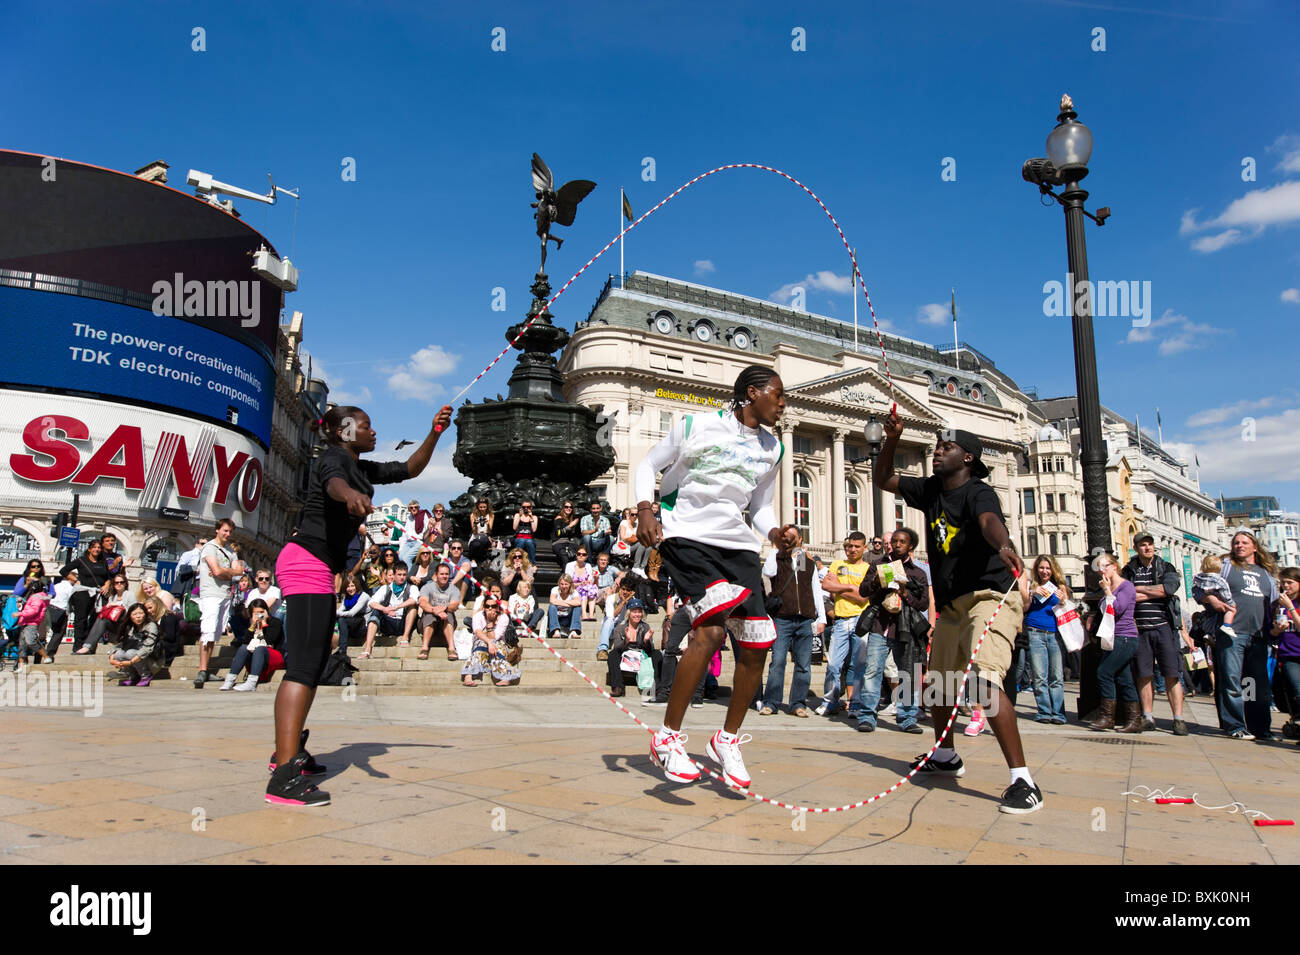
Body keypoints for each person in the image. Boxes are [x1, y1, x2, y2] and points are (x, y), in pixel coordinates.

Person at [266, 402, 451, 807]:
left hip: (316, 566)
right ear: (344, 431)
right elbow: (334, 484)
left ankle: (289, 751)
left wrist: (435, 433)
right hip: (306, 562)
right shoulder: (335, 459)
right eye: (365, 426)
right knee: (302, 667)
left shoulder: (360, 467)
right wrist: (350, 497)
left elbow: (409, 469)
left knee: (312, 665)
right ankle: (282, 776)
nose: (373, 431)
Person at [635, 364, 792, 788]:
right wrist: (645, 509)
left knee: (758, 642)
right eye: (777, 395)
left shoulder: (772, 448)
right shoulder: (695, 425)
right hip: (686, 534)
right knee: (710, 631)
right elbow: (646, 467)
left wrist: (775, 532)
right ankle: (667, 738)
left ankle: (727, 739)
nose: (783, 403)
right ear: (752, 393)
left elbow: (759, 506)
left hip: (739, 545)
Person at [876, 419, 1041, 815]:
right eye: (935, 447)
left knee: (983, 682)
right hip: (951, 605)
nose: (936, 451)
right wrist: (893, 438)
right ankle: (946, 755)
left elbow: (989, 521)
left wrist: (1004, 545)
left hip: (990, 596)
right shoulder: (931, 489)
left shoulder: (978, 492)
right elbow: (883, 478)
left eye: (945, 448)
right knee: (938, 684)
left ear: (967, 457)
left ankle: (1024, 780)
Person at [1203, 532, 1278, 741]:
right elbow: (1200, 589)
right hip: (1231, 633)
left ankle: (1259, 727)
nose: (1239, 545)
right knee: (1231, 680)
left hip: (1258, 635)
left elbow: (1273, 604)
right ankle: (1234, 725)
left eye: (1245, 542)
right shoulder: (1226, 566)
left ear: (1255, 547)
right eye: (1236, 542)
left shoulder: (1266, 574)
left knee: (1254, 683)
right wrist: (1212, 599)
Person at [855, 528, 930, 733]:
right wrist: (877, 582)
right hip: (881, 625)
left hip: (906, 629)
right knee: (873, 670)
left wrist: (905, 593)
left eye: (902, 542)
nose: (896, 544)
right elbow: (863, 591)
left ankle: (907, 717)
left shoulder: (918, 572)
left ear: (910, 546)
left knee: (907, 672)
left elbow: (923, 604)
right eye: (894, 541)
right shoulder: (879, 565)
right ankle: (867, 716)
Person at [1123, 531, 1188, 735]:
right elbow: (1126, 594)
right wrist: (1152, 590)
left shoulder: (1165, 566)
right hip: (1140, 629)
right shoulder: (1129, 569)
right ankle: (1148, 716)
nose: (1148, 548)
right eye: (1143, 545)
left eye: (1150, 544)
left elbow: (1168, 589)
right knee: (1144, 674)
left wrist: (1140, 589)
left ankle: (1178, 719)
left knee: (1172, 673)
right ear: (1136, 548)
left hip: (1164, 626)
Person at [759, 527, 825, 717]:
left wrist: (821, 617)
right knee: (777, 661)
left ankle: (798, 703)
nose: (788, 541)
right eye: (784, 538)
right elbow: (768, 571)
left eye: (791, 538)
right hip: (783, 617)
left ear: (799, 540)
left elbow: (813, 588)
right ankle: (771, 702)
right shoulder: (778, 558)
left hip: (804, 618)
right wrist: (774, 547)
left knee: (803, 664)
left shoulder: (805, 560)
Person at [814, 533, 872, 718]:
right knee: (833, 664)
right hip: (840, 619)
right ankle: (830, 701)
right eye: (849, 546)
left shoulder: (868, 569)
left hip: (860, 619)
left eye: (857, 546)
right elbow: (827, 586)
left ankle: (855, 702)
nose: (852, 550)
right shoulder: (838, 564)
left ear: (864, 548)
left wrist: (841, 587)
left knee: (858, 665)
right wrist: (851, 588)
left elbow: (864, 597)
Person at [1088, 552, 1142, 732]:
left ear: (1114, 567)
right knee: (1124, 678)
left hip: (1125, 637)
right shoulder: (1111, 588)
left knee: (1104, 672)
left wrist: (1107, 590)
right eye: (1099, 567)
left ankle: (1107, 717)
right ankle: (1134, 720)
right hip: (1114, 636)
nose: (1101, 570)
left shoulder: (1126, 587)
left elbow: (1118, 609)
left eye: (1105, 566)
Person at [190, 519, 244, 685]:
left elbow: (239, 573)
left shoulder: (230, 550)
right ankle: (202, 669)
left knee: (215, 632)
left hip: (225, 594)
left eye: (230, 532)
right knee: (207, 630)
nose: (227, 534)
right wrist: (228, 572)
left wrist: (225, 571)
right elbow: (217, 570)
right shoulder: (209, 548)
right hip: (211, 593)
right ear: (217, 530)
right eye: (225, 531)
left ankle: (206, 669)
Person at [1020, 554, 1072, 725]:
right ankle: (1044, 711)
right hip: (1035, 632)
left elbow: (1066, 608)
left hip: (1054, 633)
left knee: (1056, 675)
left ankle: (1058, 712)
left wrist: (1063, 599)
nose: (1045, 571)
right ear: (1037, 569)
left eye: (1048, 568)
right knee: (1039, 675)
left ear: (1053, 569)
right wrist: (1031, 593)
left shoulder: (1060, 586)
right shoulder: (1032, 585)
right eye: (1041, 568)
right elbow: (1024, 608)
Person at [56, 539, 112, 657]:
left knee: (95, 621)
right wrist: (76, 580)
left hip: (98, 595)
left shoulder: (103, 562)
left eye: (99, 547)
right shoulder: (82, 560)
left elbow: (108, 577)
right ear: (89, 549)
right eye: (94, 547)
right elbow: (63, 570)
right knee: (80, 620)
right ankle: (78, 646)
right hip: (83, 592)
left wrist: (107, 585)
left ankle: (89, 646)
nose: (97, 549)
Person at [219, 597, 286, 692]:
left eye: (262, 611)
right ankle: (230, 680)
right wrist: (253, 626)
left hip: (274, 655)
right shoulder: (253, 625)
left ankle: (252, 683)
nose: (259, 615)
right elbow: (246, 641)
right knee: (243, 648)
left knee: (260, 648)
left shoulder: (275, 622)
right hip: (257, 656)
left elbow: (269, 640)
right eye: (256, 613)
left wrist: (264, 623)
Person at [358, 561, 419, 657]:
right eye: (399, 574)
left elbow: (414, 600)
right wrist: (385, 609)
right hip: (388, 622)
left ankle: (405, 637)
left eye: (404, 575)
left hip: (404, 622)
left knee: (413, 608)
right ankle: (367, 648)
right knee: (376, 611)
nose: (402, 577)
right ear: (394, 575)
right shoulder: (385, 588)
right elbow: (371, 602)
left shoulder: (412, 588)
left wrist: (396, 607)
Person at [461, 596, 521, 686]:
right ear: (484, 607)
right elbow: (478, 632)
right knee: (480, 646)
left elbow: (495, 637)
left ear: (497, 607)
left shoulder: (504, 618)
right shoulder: (478, 616)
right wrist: (489, 642)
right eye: (487, 606)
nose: (490, 608)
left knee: (497, 648)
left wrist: (489, 624)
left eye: (493, 606)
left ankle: (505, 676)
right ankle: (468, 675)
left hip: (498, 642)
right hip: (481, 641)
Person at [1269, 567, 1300, 745]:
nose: (1286, 586)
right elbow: (1271, 633)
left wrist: (1291, 608)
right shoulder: (1276, 605)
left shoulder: (1289, 604)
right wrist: (1276, 630)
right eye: (1283, 582)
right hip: (1288, 655)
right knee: (1296, 690)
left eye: (1290, 582)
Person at [607, 599, 660, 699]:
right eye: (634, 612)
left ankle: (658, 688)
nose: (637, 615)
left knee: (657, 654)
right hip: (625, 653)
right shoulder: (620, 627)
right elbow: (617, 647)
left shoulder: (645, 627)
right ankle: (618, 687)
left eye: (639, 612)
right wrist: (626, 641)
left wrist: (646, 641)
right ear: (629, 613)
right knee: (612, 655)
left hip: (641, 653)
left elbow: (650, 649)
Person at [108, 602, 162, 687]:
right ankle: (129, 676)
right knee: (118, 654)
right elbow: (118, 645)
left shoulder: (151, 626)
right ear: (130, 616)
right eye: (135, 614)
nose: (138, 616)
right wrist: (112, 660)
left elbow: (147, 649)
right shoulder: (129, 627)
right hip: (134, 657)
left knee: (130, 653)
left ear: (145, 614)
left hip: (152, 659)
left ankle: (146, 675)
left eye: (141, 613)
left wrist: (130, 662)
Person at [76, 573, 130, 655]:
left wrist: (117, 604)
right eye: (116, 582)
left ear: (125, 584)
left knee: (103, 620)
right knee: (101, 619)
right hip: (114, 625)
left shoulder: (129, 595)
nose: (119, 584)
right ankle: (88, 646)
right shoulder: (112, 597)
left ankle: (89, 646)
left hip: (125, 625)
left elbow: (133, 610)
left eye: (121, 582)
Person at [335, 575, 370, 655]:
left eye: (352, 586)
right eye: (348, 587)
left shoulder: (363, 596)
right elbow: (340, 610)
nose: (350, 589)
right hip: (352, 625)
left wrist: (335, 612)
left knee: (341, 619)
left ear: (357, 585)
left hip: (363, 627)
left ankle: (342, 650)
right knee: (340, 620)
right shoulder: (346, 598)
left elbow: (351, 613)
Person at [565, 547, 600, 620]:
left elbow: (590, 581)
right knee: (583, 589)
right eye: (579, 554)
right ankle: (584, 614)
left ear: (587, 556)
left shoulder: (588, 566)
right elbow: (566, 583)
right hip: (572, 588)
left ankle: (591, 614)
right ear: (576, 555)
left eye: (583, 554)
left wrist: (595, 579)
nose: (581, 556)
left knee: (592, 589)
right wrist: (580, 584)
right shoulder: (570, 565)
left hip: (585, 588)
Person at [399, 499, 433, 567]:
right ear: (409, 509)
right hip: (408, 542)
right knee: (400, 557)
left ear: (418, 508)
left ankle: (409, 576)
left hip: (418, 541)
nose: (414, 509)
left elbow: (428, 529)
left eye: (415, 507)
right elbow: (404, 534)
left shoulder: (423, 515)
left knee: (406, 558)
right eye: (411, 508)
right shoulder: (409, 518)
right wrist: (401, 548)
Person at [547, 574, 583, 639]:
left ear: (570, 584)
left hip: (567, 618)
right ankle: (556, 631)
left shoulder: (574, 592)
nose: (564, 586)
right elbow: (552, 600)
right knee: (552, 606)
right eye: (562, 584)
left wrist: (560, 602)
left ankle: (574, 631)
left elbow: (578, 602)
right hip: (557, 617)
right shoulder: (555, 590)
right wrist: (570, 604)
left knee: (577, 608)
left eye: (566, 584)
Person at [551, 500, 582, 567]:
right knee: (565, 558)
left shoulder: (572, 519)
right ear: (563, 508)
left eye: (570, 507)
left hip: (569, 543)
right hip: (558, 543)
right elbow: (558, 533)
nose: (568, 508)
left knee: (579, 555)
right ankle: (566, 576)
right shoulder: (558, 518)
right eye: (566, 507)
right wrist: (570, 526)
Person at [467, 498, 495, 562]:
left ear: (487, 507)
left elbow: (490, 531)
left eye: (484, 507)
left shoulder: (491, 515)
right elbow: (474, 531)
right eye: (480, 507)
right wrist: (475, 524)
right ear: (477, 507)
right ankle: (477, 560)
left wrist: (487, 524)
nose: (482, 509)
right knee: (476, 543)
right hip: (476, 536)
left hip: (485, 536)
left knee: (478, 543)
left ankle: (473, 559)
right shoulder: (473, 515)